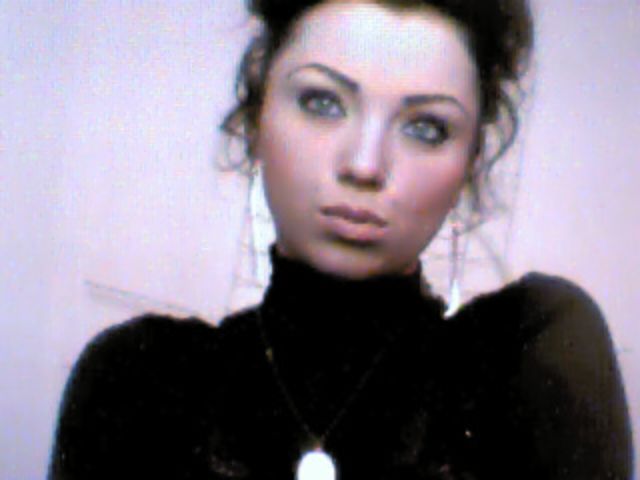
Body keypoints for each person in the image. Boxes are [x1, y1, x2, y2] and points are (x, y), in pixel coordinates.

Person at [48, 0, 633, 479]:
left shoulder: (527, 364)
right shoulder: (137, 383)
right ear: (256, 116)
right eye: (323, 102)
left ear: (471, 162)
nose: (364, 164)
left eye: (426, 127)